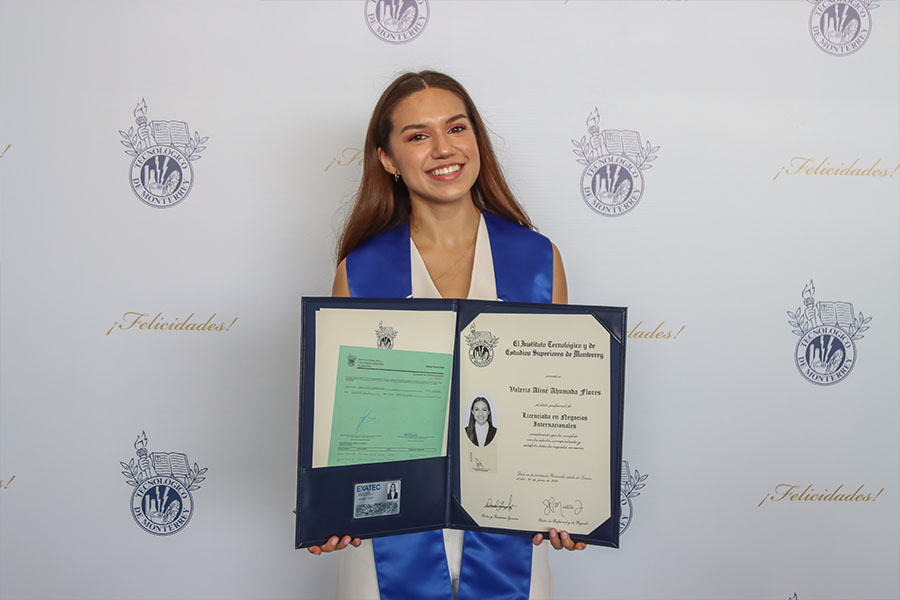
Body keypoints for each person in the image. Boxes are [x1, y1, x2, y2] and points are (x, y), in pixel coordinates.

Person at [312, 70, 585, 600]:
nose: (444, 149)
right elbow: (343, 424)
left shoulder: (536, 260)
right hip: (389, 541)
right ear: (387, 159)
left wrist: (572, 498)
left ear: (476, 139)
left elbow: (559, 401)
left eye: (456, 128)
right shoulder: (361, 272)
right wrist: (328, 502)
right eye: (418, 136)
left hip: (510, 537)